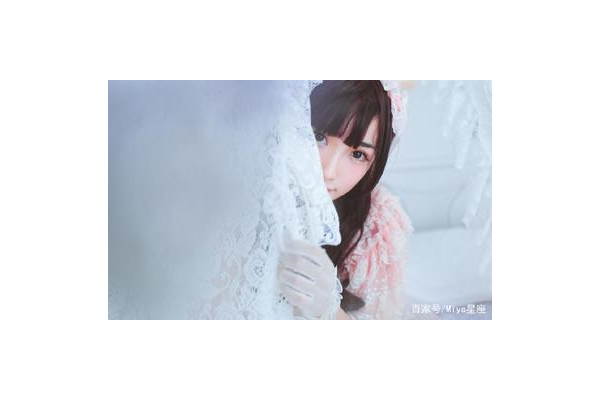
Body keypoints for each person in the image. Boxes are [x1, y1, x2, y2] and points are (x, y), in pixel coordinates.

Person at [277, 80, 413, 319]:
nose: (328, 171)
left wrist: (329, 309)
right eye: (319, 136)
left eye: (358, 154)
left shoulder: (377, 228)